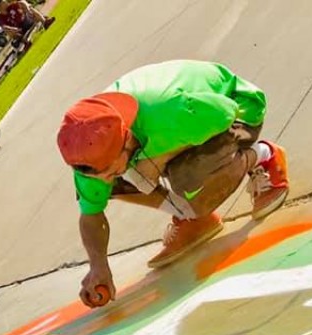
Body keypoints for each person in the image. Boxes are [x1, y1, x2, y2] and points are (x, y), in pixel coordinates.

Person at [56, 59, 290, 307]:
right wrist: (98, 266)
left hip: (236, 110)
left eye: (110, 169)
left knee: (185, 177)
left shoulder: (170, 111)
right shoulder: (90, 146)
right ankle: (193, 218)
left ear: (126, 140)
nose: (105, 178)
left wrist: (162, 156)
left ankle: (263, 155)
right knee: (117, 184)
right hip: (173, 131)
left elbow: (226, 113)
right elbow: (91, 214)